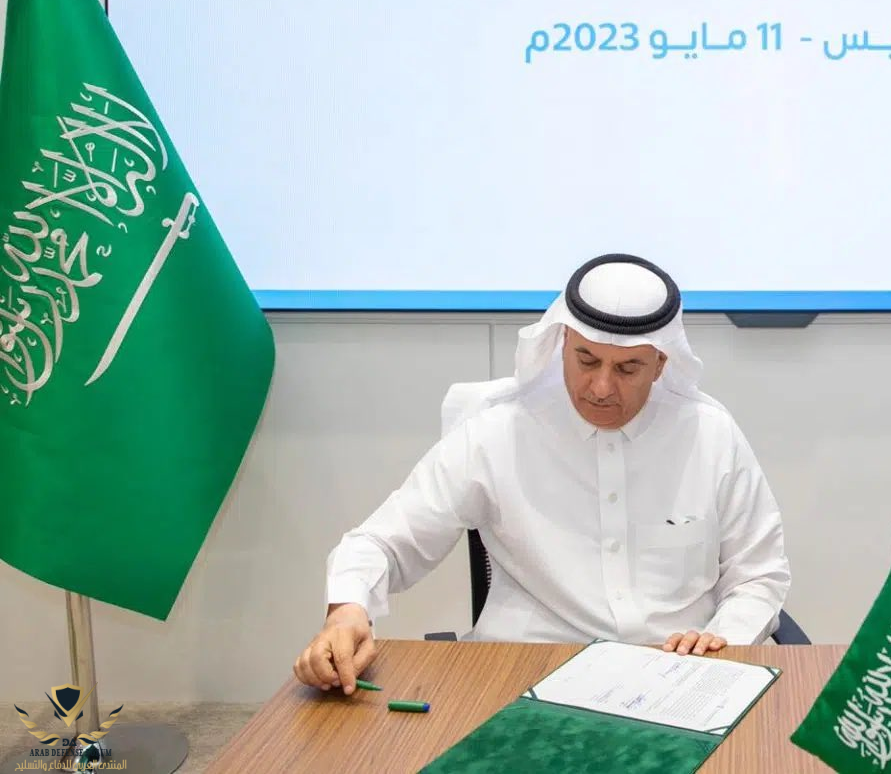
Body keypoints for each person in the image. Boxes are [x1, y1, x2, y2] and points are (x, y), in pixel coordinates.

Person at [293, 253, 791, 693]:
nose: (601, 387)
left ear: (661, 364)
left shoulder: (710, 435)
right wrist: (347, 609)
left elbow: (759, 573)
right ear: (562, 342)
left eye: (627, 369)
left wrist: (724, 638)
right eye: (586, 359)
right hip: (522, 677)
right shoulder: (498, 431)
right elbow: (381, 542)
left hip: (678, 678)